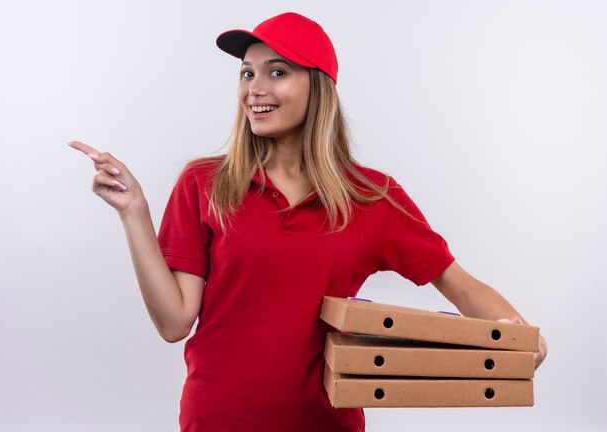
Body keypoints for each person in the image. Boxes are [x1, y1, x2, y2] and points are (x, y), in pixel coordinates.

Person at [69, 12, 547, 432]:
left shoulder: (372, 196)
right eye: (246, 73)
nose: (254, 89)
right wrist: (135, 213)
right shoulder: (205, 183)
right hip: (217, 419)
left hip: (327, 424)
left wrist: (522, 337)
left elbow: (458, 284)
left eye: (277, 72)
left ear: (317, 86)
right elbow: (174, 322)